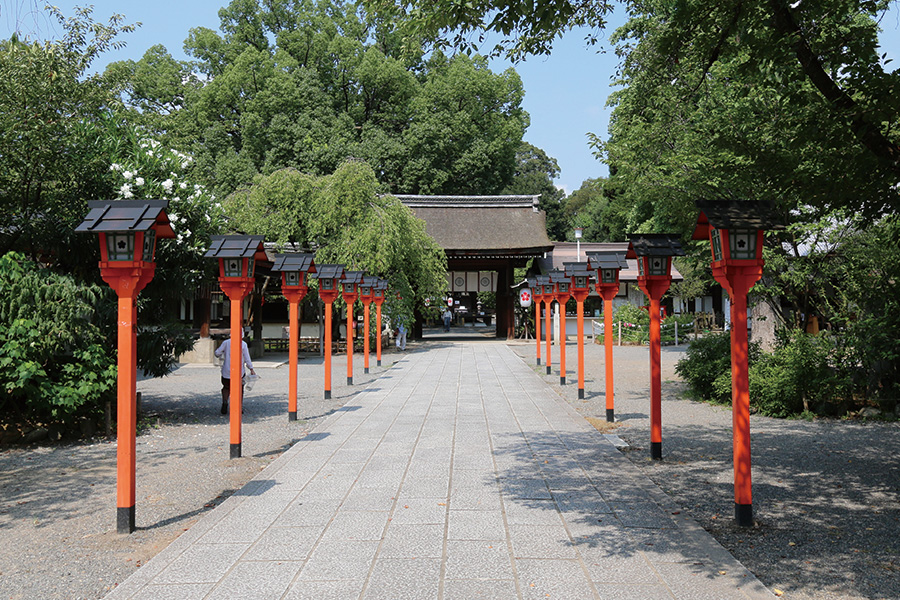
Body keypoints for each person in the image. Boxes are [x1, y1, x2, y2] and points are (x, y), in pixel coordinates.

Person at [215, 334, 256, 414]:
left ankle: (225, 401)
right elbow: (247, 358)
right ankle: (239, 407)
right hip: (239, 371)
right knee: (239, 389)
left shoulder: (226, 342)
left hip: (226, 371)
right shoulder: (243, 344)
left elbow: (217, 353)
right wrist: (251, 368)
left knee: (226, 387)